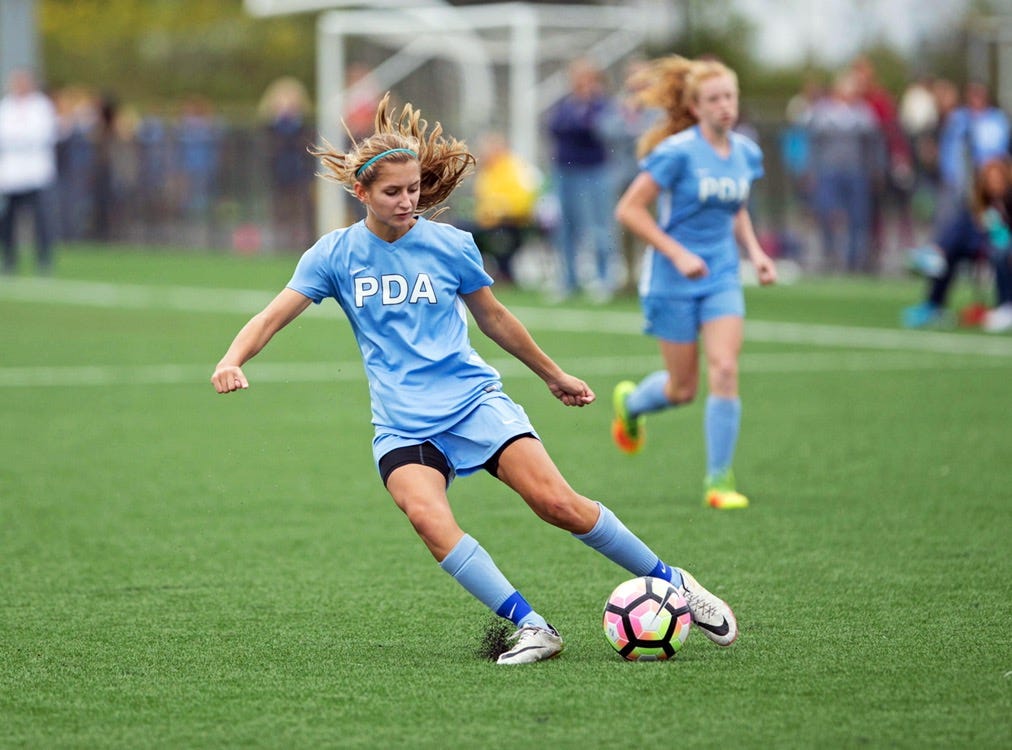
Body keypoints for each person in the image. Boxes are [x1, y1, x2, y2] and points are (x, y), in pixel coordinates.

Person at [210, 93, 738, 664]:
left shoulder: (450, 245)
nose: (407, 200)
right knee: (427, 518)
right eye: (392, 192)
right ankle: (534, 627)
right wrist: (232, 358)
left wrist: (552, 375)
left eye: (413, 189)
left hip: (473, 403)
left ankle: (674, 582)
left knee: (557, 504)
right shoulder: (334, 255)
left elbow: (496, 319)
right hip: (403, 423)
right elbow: (271, 316)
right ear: (360, 193)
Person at [610, 56, 777, 510]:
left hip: (721, 275)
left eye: (730, 97)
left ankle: (719, 482)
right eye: (714, 99)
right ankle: (632, 404)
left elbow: (736, 207)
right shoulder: (677, 152)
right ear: (695, 106)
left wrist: (757, 254)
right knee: (682, 389)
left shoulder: (746, 153)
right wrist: (678, 253)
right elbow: (629, 210)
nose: (725, 106)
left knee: (724, 369)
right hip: (672, 278)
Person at [902, 157, 1012, 332]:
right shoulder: (980, 203)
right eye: (990, 180)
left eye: (998, 179)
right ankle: (933, 304)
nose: (994, 184)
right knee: (950, 250)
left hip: (1002, 246)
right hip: (982, 243)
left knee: (1001, 251)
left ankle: (1007, 306)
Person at [545, 58, 621, 302]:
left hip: (593, 172)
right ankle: (568, 279)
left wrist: (584, 115)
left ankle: (604, 277)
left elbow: (597, 130)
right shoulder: (565, 104)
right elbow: (554, 126)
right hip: (564, 171)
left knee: (598, 226)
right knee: (565, 227)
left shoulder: (602, 106)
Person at [802, 69, 881, 273]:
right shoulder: (822, 112)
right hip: (828, 171)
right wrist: (810, 170)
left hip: (856, 171)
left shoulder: (863, 112)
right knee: (826, 211)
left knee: (858, 216)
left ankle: (854, 259)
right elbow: (813, 144)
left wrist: (874, 170)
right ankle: (830, 254)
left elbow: (873, 145)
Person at [0, 68, 58, 275]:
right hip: (11, 175)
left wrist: (18, 139)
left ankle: (44, 260)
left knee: (41, 220)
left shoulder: (41, 106)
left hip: (36, 173)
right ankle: (9, 260)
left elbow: (41, 135)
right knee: (8, 221)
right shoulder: (6, 107)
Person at [469, 131, 542, 284]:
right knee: (462, 231)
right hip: (489, 223)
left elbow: (524, 200)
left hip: (514, 223)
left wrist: (500, 210)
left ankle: (505, 274)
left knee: (498, 235)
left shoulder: (515, 169)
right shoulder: (487, 173)